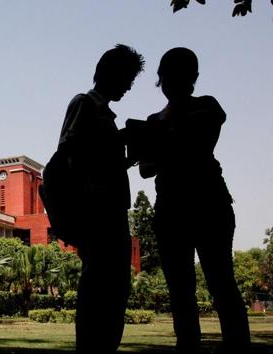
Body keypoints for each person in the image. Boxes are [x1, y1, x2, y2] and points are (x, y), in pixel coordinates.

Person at [140, 47, 251, 354]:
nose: (173, 83)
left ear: (193, 79)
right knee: (181, 290)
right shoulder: (155, 120)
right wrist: (166, 140)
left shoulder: (206, 106)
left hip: (208, 205)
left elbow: (197, 140)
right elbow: (146, 169)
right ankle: (188, 346)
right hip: (173, 209)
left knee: (221, 283)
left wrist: (162, 140)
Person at [56, 44, 144, 354]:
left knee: (116, 289)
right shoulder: (85, 104)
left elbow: (103, 164)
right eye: (127, 78)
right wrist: (118, 139)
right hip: (96, 214)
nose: (129, 86)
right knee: (100, 289)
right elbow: (71, 152)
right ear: (111, 73)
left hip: (113, 213)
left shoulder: (105, 114)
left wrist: (126, 151)